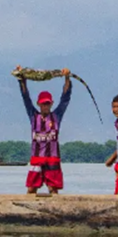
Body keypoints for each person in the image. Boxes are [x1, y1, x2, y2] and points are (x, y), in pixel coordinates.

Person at [18, 66, 72, 194]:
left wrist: (67, 78)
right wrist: (22, 79)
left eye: (47, 103)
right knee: (31, 188)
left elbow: (65, 98)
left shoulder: (56, 116)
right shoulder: (33, 116)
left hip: (52, 158)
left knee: (53, 189)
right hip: (37, 158)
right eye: (43, 104)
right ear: (39, 104)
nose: (45, 106)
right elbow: (26, 98)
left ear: (51, 104)